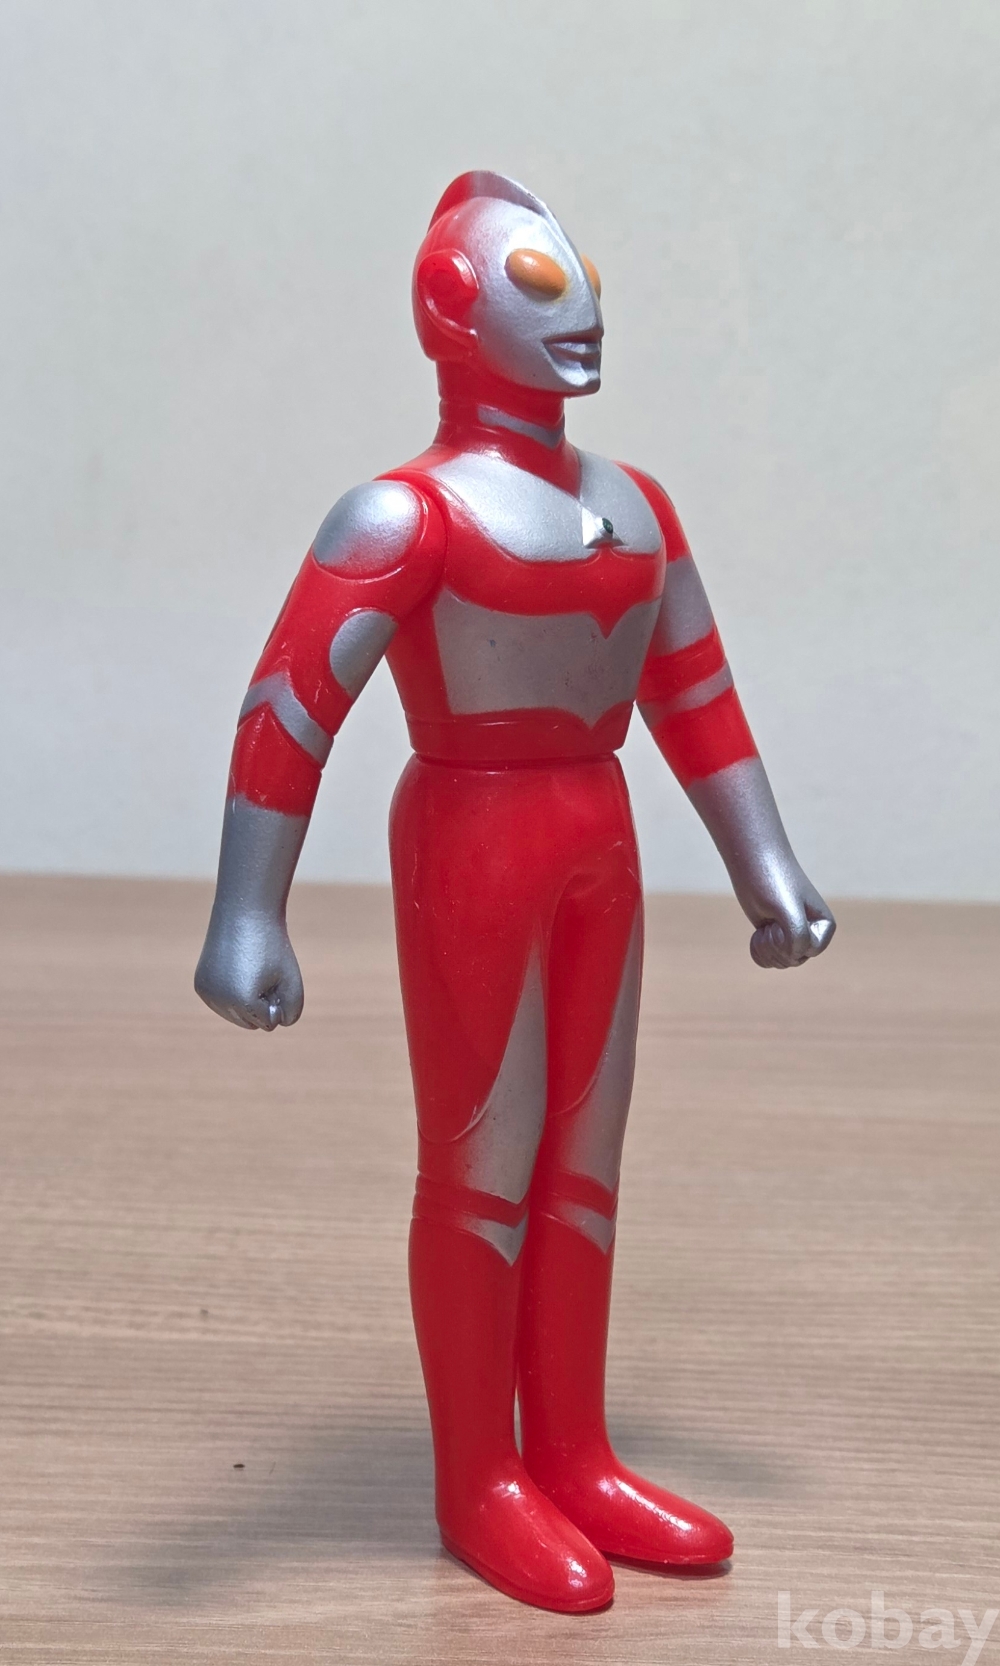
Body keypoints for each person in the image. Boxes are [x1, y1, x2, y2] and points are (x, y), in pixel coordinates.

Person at [195, 171, 835, 1613]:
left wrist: (768, 864)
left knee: (586, 1155)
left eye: (584, 276)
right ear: (449, 307)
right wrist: (247, 910)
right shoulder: (401, 516)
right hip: (472, 838)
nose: (584, 307)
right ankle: (478, 1475)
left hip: (597, 833)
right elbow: (291, 705)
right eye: (541, 284)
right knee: (485, 1159)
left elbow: (696, 694)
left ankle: (575, 1452)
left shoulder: (638, 507)